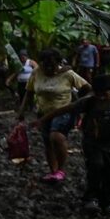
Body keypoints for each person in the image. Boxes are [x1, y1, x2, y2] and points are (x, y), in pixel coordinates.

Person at [33, 74, 110, 215]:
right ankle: (90, 199)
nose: (100, 97)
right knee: (96, 166)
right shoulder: (88, 102)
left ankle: (108, 203)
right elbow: (64, 109)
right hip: (92, 142)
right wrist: (43, 120)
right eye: (97, 94)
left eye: (104, 94)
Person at [17, 48, 90, 182]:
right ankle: (53, 172)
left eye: (52, 65)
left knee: (56, 137)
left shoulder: (68, 74)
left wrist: (78, 104)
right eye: (45, 65)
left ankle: (61, 169)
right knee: (47, 143)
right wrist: (21, 111)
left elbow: (87, 87)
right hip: (43, 112)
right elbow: (29, 92)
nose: (48, 68)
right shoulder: (36, 72)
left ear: (58, 63)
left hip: (63, 111)